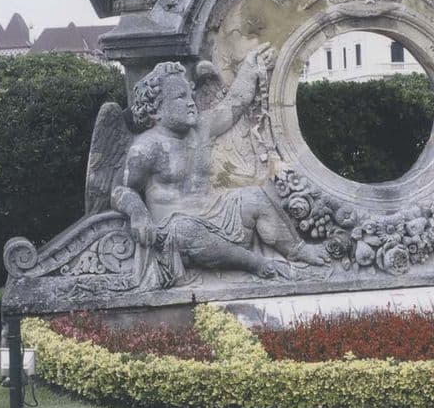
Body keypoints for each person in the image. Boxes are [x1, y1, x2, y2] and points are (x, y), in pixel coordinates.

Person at [111, 45, 328, 287]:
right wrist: (138, 213)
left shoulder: (201, 129)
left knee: (254, 198)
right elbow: (120, 190)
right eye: (181, 97)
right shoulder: (146, 147)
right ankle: (257, 264)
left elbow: (236, 102)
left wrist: (249, 68)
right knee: (184, 229)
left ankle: (298, 250)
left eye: (190, 95)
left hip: (216, 213)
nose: (191, 103)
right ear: (156, 109)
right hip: (175, 231)